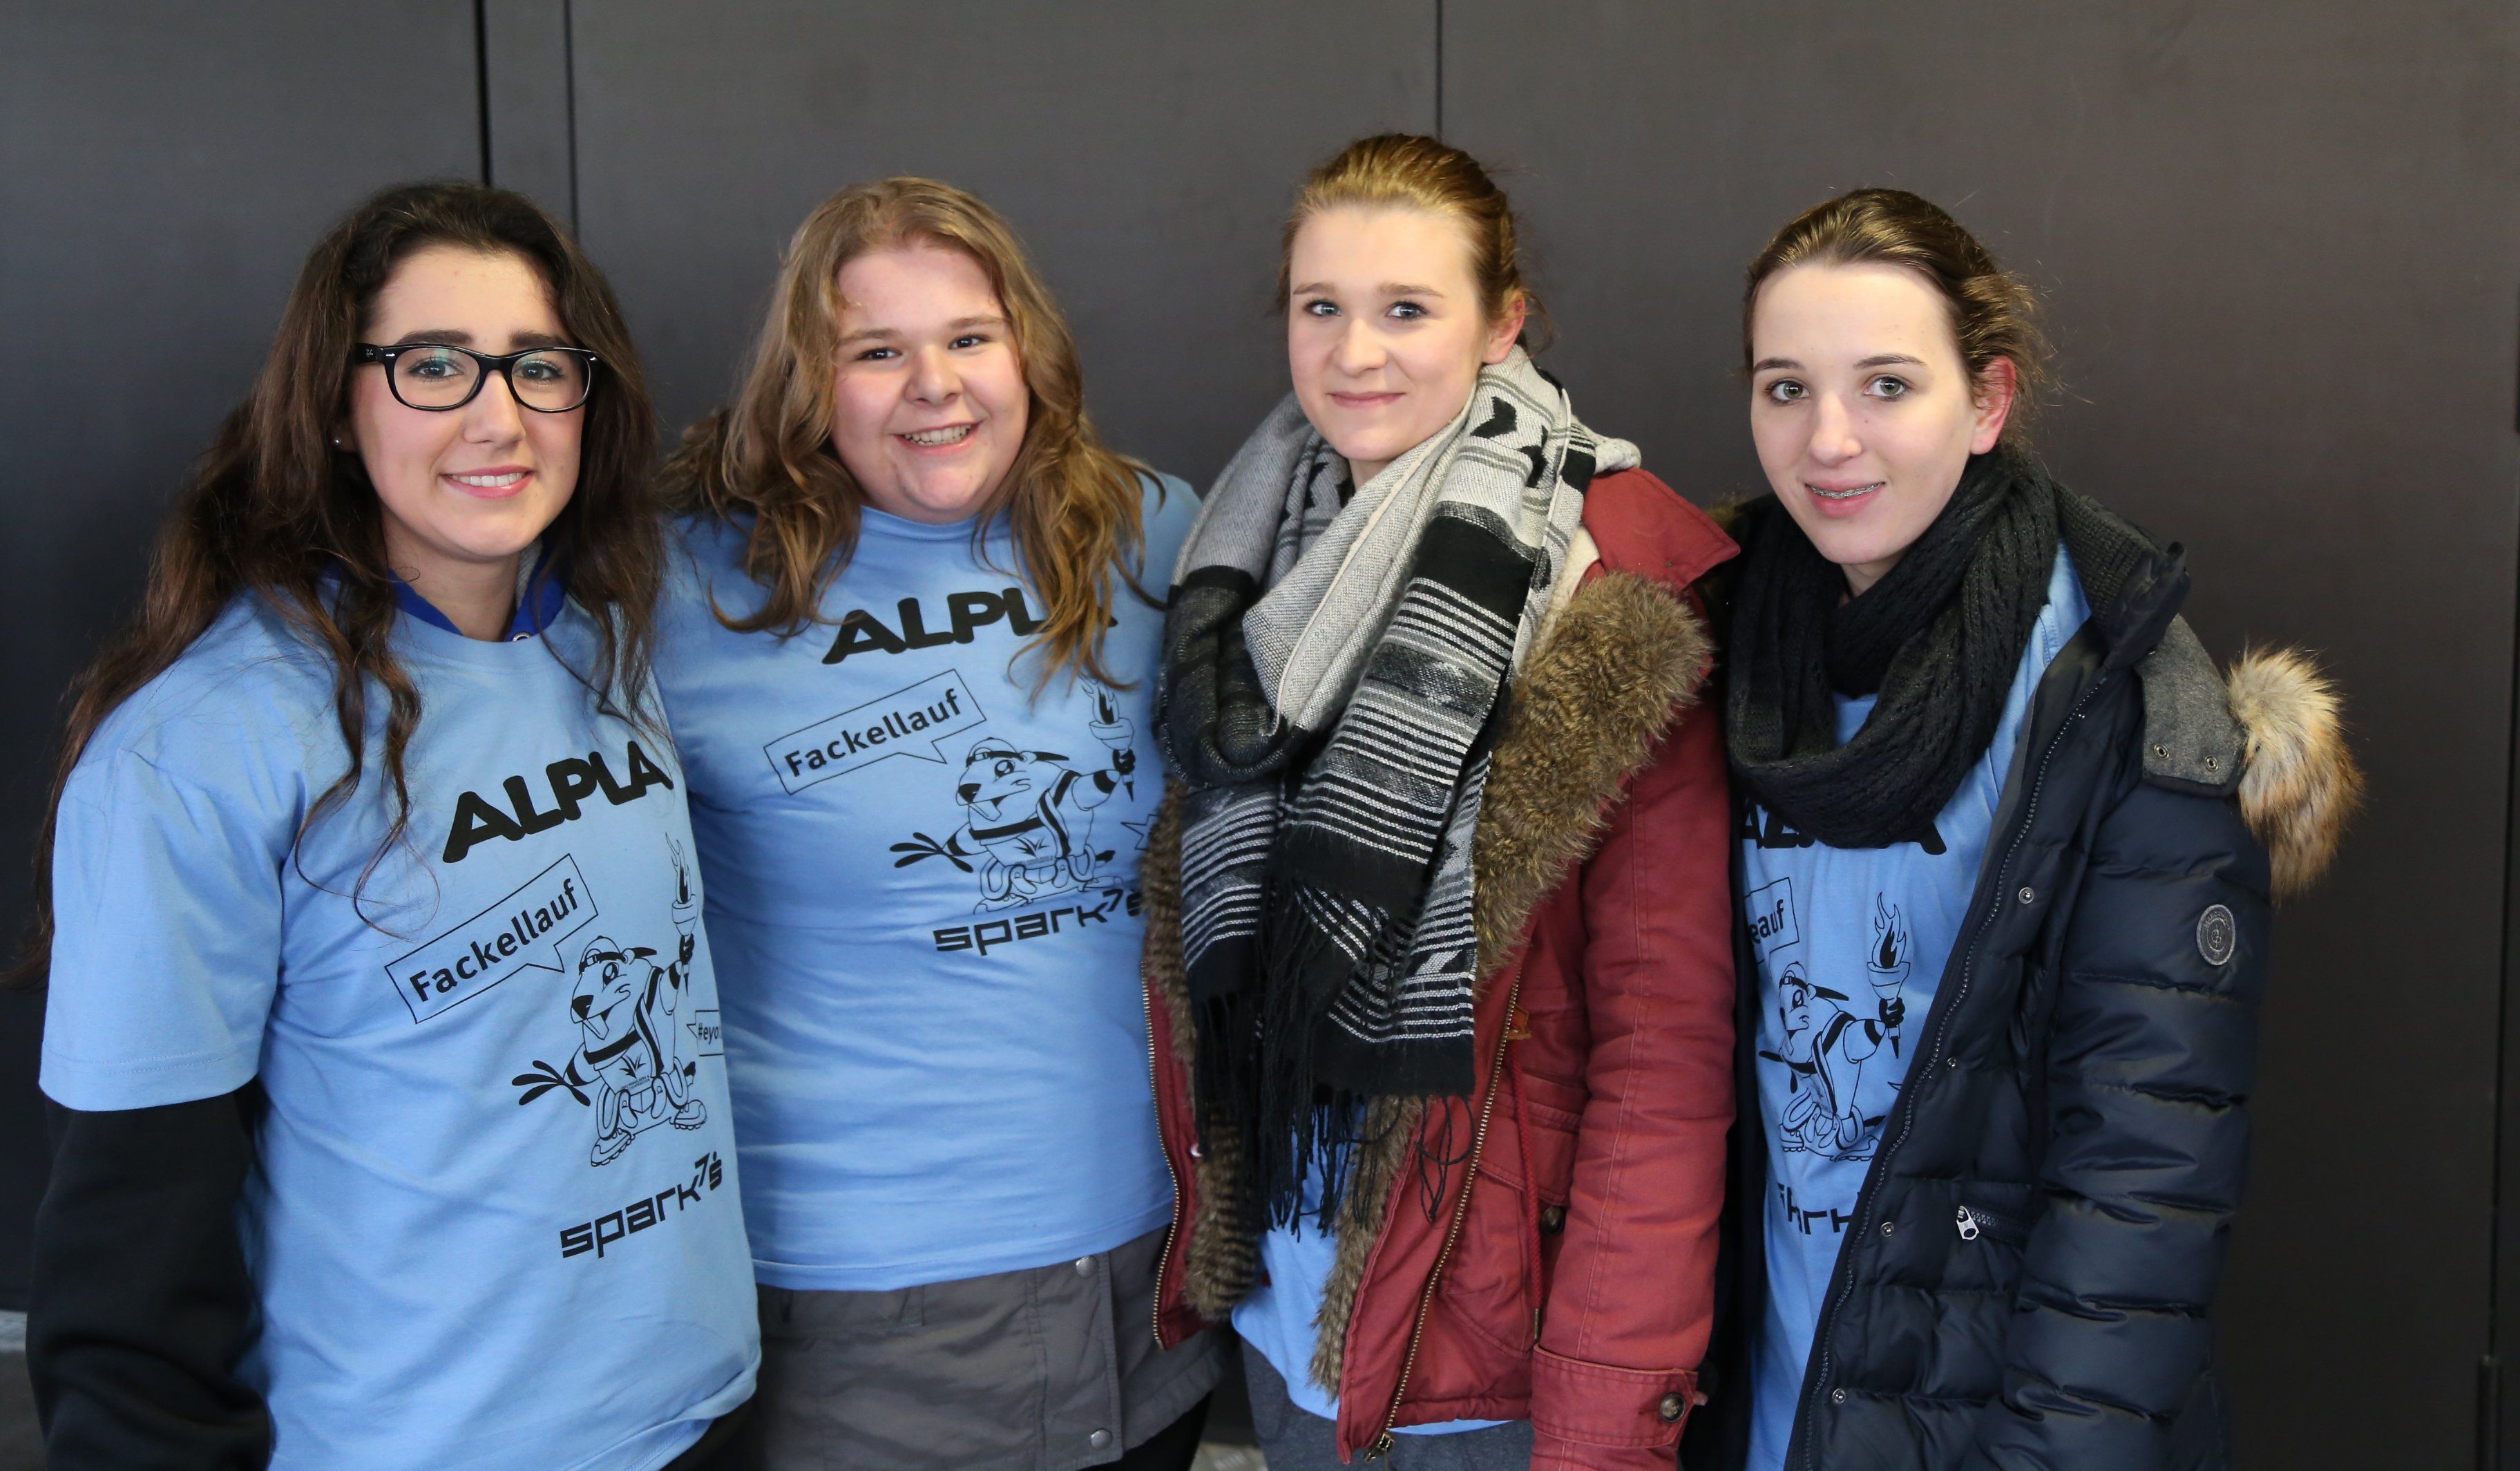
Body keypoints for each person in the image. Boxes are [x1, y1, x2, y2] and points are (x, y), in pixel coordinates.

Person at [24, 182, 758, 1471]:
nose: (498, 416)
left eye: (540, 367)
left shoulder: (617, 648)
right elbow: (127, 1251)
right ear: (335, 406)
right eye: (433, 366)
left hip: (696, 1416)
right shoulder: (201, 749)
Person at [1695, 188, 2363, 1470]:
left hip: (1988, 1419)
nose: (1828, 439)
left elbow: (2142, 1177)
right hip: (1766, 1398)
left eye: (1888, 385)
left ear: (1989, 401)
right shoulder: (1721, 649)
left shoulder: (2119, 699)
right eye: (1787, 388)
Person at [1145, 133, 1738, 1470]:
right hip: (1288, 1327)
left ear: (1502, 324)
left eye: (1407, 309)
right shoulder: (1247, 548)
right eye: (1322, 307)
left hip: (1485, 1368)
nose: (1355, 353)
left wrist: (1604, 1412)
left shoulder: (1607, 585)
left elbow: (1661, 1050)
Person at [653, 178, 1219, 1471]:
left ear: (1029, 352)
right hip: (860, 1313)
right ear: (809, 382)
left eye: (970, 336)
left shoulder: (1152, 531)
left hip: (1151, 1271)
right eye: (875, 351)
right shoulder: (684, 587)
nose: (935, 386)